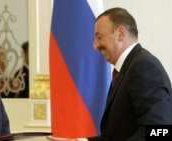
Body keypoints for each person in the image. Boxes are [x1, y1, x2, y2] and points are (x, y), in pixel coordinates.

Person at [47, 7, 172, 141]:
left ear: (120, 34)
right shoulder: (127, 69)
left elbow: (158, 132)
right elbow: (115, 136)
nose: (95, 45)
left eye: (99, 37)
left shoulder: (144, 67)